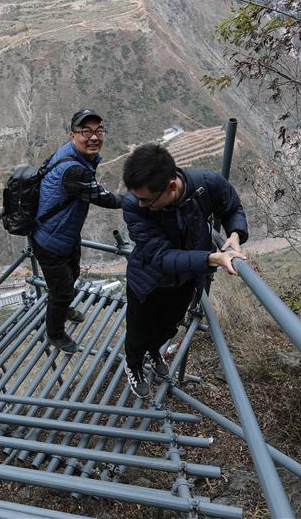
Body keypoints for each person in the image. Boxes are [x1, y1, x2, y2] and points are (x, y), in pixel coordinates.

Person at [121, 143, 248, 398]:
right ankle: (133, 364)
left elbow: (232, 207)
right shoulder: (133, 204)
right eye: (138, 198)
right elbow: (161, 256)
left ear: (171, 186)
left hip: (184, 281)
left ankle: (155, 350)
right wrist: (212, 258)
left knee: (169, 327)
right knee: (138, 332)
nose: (141, 205)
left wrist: (234, 234)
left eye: (147, 199)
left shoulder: (206, 184)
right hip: (147, 282)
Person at [31, 108, 122, 353]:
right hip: (51, 241)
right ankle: (55, 333)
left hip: (63, 234)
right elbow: (104, 198)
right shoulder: (74, 169)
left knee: (71, 275)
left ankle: (63, 306)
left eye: (98, 131)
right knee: (61, 288)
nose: (94, 137)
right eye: (86, 132)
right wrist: (140, 199)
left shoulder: (71, 153)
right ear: (73, 136)